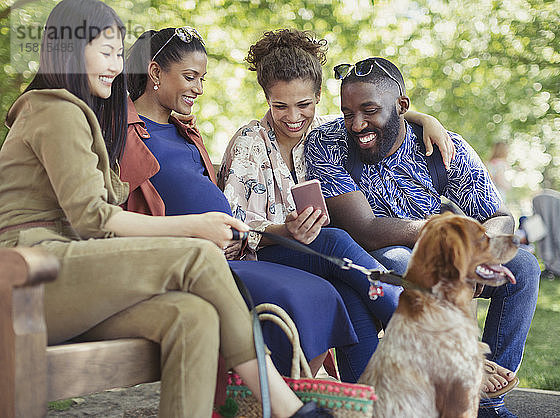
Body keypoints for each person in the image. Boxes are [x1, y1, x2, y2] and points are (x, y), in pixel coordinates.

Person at [0, 1, 330, 416]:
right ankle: (283, 405)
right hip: (29, 273)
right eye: (105, 53)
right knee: (197, 255)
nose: (116, 66)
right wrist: (197, 227)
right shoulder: (56, 109)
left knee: (192, 317)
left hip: (66, 274)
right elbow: (94, 219)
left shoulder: (85, 115)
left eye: (119, 54)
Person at [304, 57, 540, 418]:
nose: (357, 124)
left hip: (446, 257)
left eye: (369, 110)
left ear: (402, 107)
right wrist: (448, 244)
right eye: (348, 112)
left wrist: (480, 254)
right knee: (402, 261)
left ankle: (488, 401)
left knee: (523, 267)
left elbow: (499, 217)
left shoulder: (444, 148)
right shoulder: (328, 143)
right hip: (382, 259)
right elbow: (363, 231)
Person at [218, 29, 455, 382]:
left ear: (318, 97)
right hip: (266, 255)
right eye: (280, 106)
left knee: (350, 293)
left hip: (324, 259)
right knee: (335, 241)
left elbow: (385, 114)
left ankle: (366, 398)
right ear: (266, 99)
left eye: (304, 105)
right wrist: (285, 231)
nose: (293, 117)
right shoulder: (249, 143)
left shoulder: (331, 133)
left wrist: (425, 120)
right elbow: (231, 230)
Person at [122, 27, 358, 379]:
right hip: (194, 260)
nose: (199, 89)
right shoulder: (123, 131)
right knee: (307, 293)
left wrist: (419, 117)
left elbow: (368, 116)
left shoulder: (182, 130)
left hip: (230, 250)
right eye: (190, 77)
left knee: (322, 294)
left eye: (201, 78)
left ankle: (289, 400)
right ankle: (285, 403)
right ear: (155, 72)